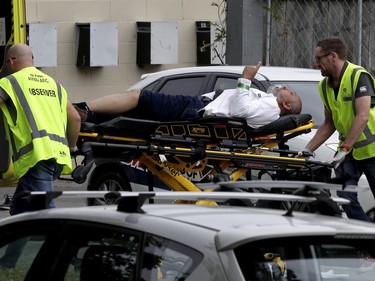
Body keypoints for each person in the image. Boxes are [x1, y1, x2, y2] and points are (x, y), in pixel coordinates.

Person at [74, 62, 302, 129]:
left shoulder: (271, 107)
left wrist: (245, 78)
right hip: (199, 106)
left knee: (137, 96)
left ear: (287, 106)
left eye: (289, 92)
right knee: (134, 111)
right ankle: (87, 118)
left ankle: (82, 108)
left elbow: (241, 111)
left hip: (198, 110)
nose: (284, 88)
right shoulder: (268, 102)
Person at [299, 36, 375, 222]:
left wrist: (345, 149)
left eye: (319, 58)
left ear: (333, 56)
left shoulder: (359, 76)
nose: (316, 64)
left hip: (371, 150)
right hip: (348, 151)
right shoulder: (324, 86)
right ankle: (368, 242)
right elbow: (328, 123)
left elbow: (363, 116)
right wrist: (307, 149)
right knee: (345, 197)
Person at [0, 44, 81, 215]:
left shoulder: (10, 82)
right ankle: (14, 241)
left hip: (35, 157)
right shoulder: (55, 85)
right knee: (19, 212)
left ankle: (60, 242)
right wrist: (72, 147)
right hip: (57, 156)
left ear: (11, 62)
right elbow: (75, 118)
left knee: (46, 214)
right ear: (32, 60)